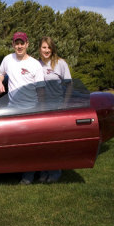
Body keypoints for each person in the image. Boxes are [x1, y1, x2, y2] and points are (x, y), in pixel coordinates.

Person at [0, 31, 45, 185]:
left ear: (27, 44)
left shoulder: (34, 64)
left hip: (31, 108)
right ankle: (19, 170)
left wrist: (42, 108)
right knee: (15, 143)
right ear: (13, 45)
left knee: (30, 144)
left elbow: (41, 88)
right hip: (13, 109)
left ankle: (28, 176)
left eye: (22, 43)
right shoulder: (7, 59)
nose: (19, 46)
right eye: (16, 43)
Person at [38, 36, 72, 183]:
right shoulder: (36, 64)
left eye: (49, 47)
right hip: (41, 108)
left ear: (53, 49)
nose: (46, 50)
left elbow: (69, 85)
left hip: (57, 106)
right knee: (42, 142)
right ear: (40, 48)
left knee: (54, 142)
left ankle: (55, 172)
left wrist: (64, 105)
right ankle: (44, 171)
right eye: (44, 47)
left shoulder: (60, 63)